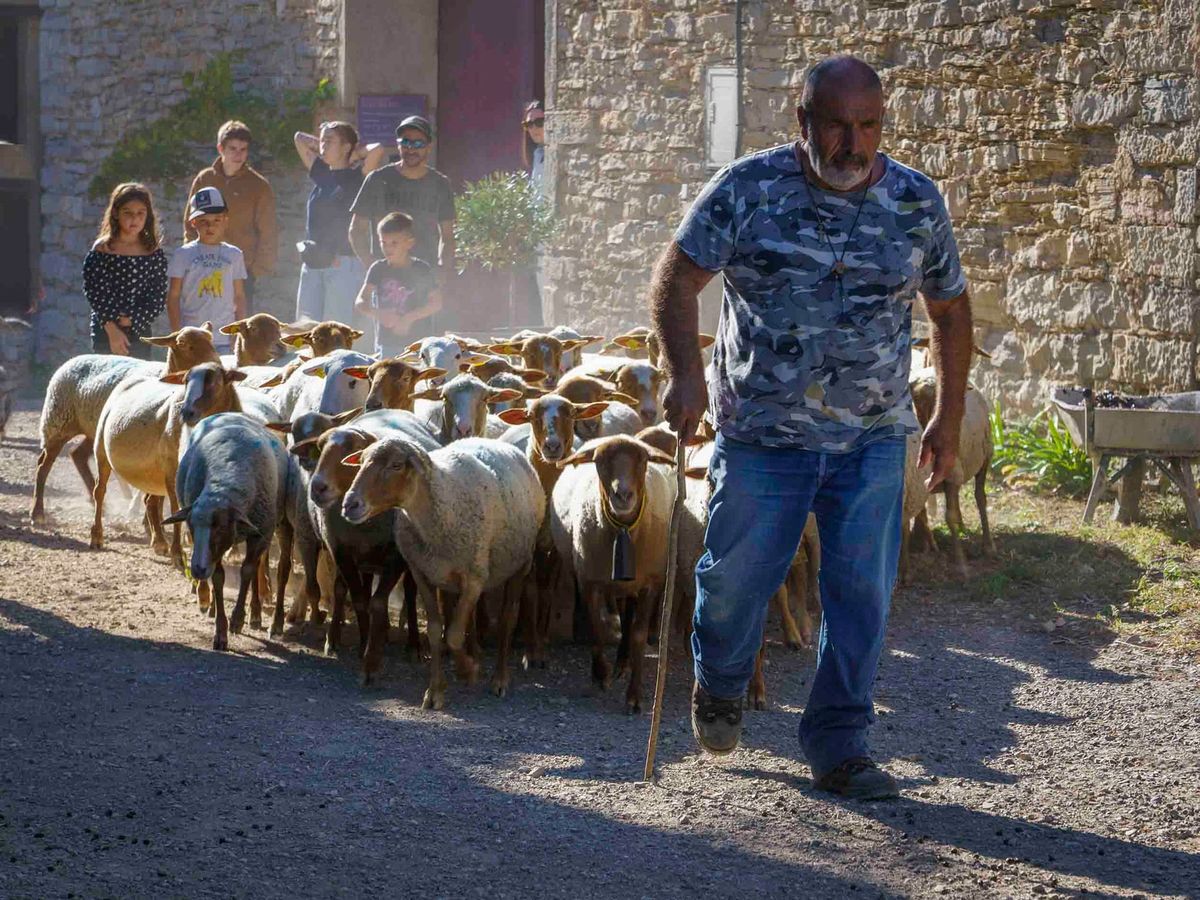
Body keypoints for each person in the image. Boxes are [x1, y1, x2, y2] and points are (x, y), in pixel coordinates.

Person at [652, 55, 973, 800]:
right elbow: (676, 277)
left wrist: (947, 414)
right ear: (803, 122)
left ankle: (840, 744)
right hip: (764, 434)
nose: (853, 143)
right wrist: (686, 373)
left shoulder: (915, 201)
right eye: (837, 124)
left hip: (872, 436)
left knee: (860, 595)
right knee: (735, 583)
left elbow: (949, 309)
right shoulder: (748, 189)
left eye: (869, 126)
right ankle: (722, 682)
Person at [293, 121, 387, 332]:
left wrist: (354, 154)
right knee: (305, 329)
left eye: (329, 141)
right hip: (313, 261)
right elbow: (299, 137)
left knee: (335, 330)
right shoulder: (321, 172)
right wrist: (324, 141)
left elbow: (378, 149)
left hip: (342, 264)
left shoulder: (357, 177)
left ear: (346, 146)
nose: (323, 145)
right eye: (322, 140)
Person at [348, 115, 456, 296]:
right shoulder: (377, 180)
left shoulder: (440, 184)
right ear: (398, 145)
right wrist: (372, 267)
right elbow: (356, 229)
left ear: (429, 147)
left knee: (423, 325)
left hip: (424, 278)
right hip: (386, 282)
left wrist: (442, 271)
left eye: (418, 144)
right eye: (405, 142)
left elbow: (447, 236)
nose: (410, 148)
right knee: (386, 324)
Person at [185, 120, 277, 310]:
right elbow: (190, 222)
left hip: (239, 271)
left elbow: (268, 230)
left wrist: (254, 270)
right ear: (221, 148)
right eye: (233, 148)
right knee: (204, 327)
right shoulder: (205, 179)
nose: (238, 154)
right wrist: (191, 258)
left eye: (243, 149)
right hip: (205, 267)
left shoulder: (258, 186)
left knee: (238, 330)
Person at [83, 182, 169, 359]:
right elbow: (95, 292)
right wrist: (112, 328)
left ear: (148, 215)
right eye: (128, 213)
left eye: (140, 213)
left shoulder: (152, 251)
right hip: (105, 330)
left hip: (139, 330)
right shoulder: (103, 249)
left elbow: (157, 296)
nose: (134, 219)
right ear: (115, 213)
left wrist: (132, 319)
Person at [167, 188, 247, 352]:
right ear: (193, 222)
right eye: (203, 221)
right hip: (192, 337)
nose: (210, 226)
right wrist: (176, 334)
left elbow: (239, 296)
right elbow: (173, 296)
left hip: (225, 337)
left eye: (216, 220)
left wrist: (239, 332)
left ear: (225, 220)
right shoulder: (183, 254)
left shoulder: (234, 254)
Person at [354, 212, 442, 359]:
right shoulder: (378, 269)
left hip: (419, 345)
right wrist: (379, 313)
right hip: (388, 345)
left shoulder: (421, 269)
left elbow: (436, 303)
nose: (388, 248)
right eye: (383, 243)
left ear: (409, 243)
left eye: (394, 243)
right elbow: (360, 302)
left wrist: (409, 318)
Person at [520, 99, 547, 327]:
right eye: (528, 124)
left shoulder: (551, 155)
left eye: (539, 121)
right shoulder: (538, 155)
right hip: (537, 237)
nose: (534, 128)